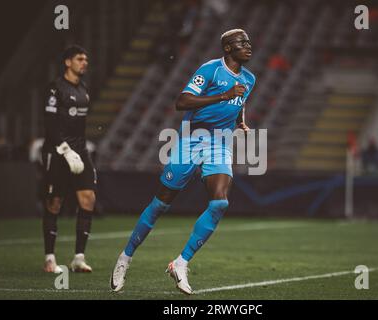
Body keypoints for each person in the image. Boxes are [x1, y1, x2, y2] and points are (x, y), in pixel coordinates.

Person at [110, 29, 256, 294]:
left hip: (220, 144)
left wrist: (240, 121)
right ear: (227, 48)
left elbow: (239, 102)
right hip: (191, 140)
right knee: (160, 205)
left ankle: (181, 262)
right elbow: (182, 101)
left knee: (220, 202)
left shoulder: (249, 78)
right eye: (241, 43)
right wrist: (223, 95)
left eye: (248, 42)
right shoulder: (210, 70)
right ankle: (125, 257)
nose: (248, 46)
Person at [41, 45, 97, 273]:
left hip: (80, 151)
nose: (84, 62)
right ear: (67, 62)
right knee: (54, 203)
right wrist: (65, 149)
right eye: (79, 59)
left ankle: (78, 258)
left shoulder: (84, 89)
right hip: (57, 151)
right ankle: (50, 259)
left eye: (86, 59)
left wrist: (79, 150)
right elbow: (50, 124)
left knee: (88, 199)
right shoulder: (55, 89)